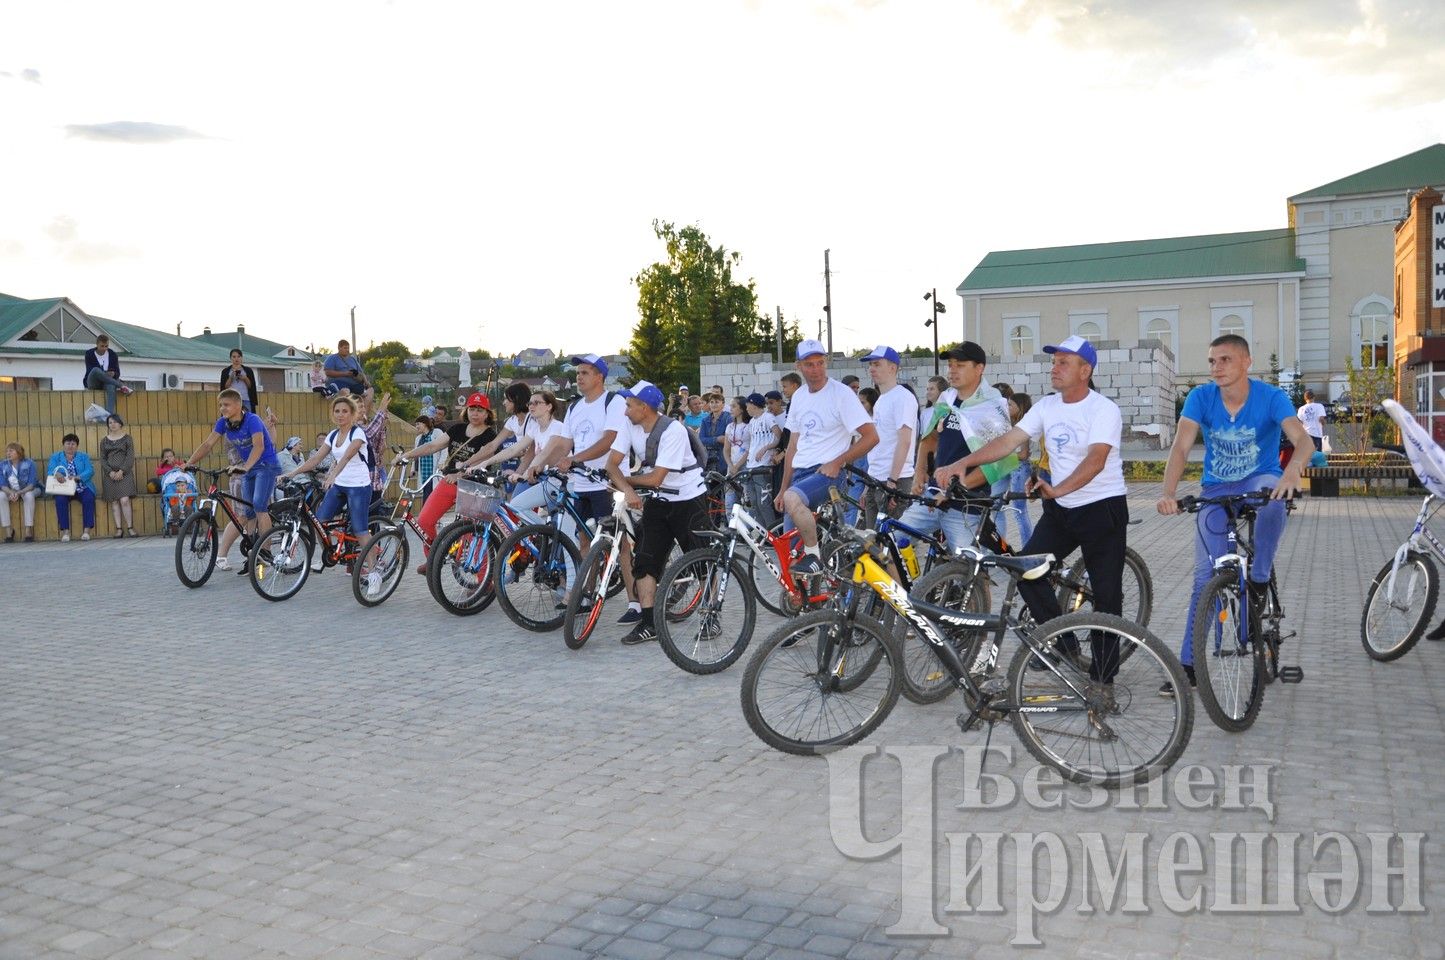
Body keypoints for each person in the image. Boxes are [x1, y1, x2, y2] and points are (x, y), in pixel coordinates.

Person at [947, 335, 1130, 691]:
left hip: (1101, 509)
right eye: (1054, 361)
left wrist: (1057, 488)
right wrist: (962, 462)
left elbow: (1096, 461)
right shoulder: (1047, 406)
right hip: (1061, 509)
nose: (1054, 368)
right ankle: (1064, 645)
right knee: (1027, 571)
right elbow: (1008, 441)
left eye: (1063, 362)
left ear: (1085, 370)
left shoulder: (1103, 409)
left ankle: (1103, 680)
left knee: (1107, 596)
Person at [1156, 333, 1310, 695]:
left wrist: (1293, 472)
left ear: (1246, 362)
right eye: (1212, 361)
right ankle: (1189, 666)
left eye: (1225, 360)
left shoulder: (1270, 397)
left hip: (1261, 479)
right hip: (1217, 488)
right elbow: (1181, 446)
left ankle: (1258, 576)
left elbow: (1303, 441)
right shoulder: (1200, 397)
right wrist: (1167, 493)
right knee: (1204, 578)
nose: (1216, 368)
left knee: (1275, 497)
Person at [605, 380, 710, 645]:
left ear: (645, 407)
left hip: (688, 497)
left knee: (701, 560)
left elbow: (657, 478)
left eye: (629, 405)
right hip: (659, 500)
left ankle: (711, 615)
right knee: (645, 561)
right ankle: (649, 623)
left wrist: (628, 482)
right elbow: (612, 464)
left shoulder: (672, 430)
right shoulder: (629, 424)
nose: (625, 410)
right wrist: (627, 491)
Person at [774, 339, 878, 577]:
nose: (816, 369)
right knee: (791, 559)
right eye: (809, 364)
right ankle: (809, 603)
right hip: (800, 476)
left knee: (794, 507)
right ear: (799, 366)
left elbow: (871, 437)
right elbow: (792, 446)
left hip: (827, 473)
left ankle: (814, 556)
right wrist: (782, 488)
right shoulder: (799, 396)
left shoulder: (841, 394)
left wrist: (838, 462)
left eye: (820, 363)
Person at [903, 342, 1017, 555]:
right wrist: (919, 473)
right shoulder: (947, 400)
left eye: (960, 365)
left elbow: (999, 464)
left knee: (968, 571)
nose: (952, 370)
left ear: (979, 368)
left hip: (966, 506)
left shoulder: (993, 405)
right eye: (950, 365)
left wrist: (953, 490)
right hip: (933, 495)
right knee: (890, 540)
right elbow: (929, 439)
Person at [181, 389, 281, 574]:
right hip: (248, 468)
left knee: (259, 506)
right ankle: (253, 551)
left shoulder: (252, 420)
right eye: (220, 405)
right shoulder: (224, 423)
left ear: (238, 405)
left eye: (226, 405)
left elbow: (259, 446)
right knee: (248, 512)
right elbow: (208, 444)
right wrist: (189, 463)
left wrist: (246, 467)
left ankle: (265, 552)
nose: (222, 408)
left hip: (266, 465)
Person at [397, 393, 499, 570]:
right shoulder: (457, 429)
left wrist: (460, 474)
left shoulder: (490, 435)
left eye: (480, 410)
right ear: (466, 411)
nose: (475, 414)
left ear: (487, 414)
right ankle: (434, 557)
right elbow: (432, 446)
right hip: (450, 481)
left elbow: (483, 457)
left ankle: (483, 580)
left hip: (475, 486)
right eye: (472, 409)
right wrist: (406, 455)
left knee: (473, 532)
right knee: (424, 521)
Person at [285, 395, 372, 572]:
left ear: (352, 414)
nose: (341, 415)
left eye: (345, 411)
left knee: (360, 529)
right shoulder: (332, 435)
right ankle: (329, 553)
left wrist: (332, 475)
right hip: (340, 484)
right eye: (337, 411)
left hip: (359, 485)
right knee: (320, 522)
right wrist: (293, 473)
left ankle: (374, 571)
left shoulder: (358, 433)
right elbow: (316, 458)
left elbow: (347, 456)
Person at [859, 346, 918, 525]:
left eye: (877, 364)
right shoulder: (882, 400)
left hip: (894, 480)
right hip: (876, 479)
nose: (872, 369)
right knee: (872, 543)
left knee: (889, 544)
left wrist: (892, 481)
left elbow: (905, 441)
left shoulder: (903, 397)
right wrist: (868, 485)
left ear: (893, 368)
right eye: (870, 365)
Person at [999, 392, 1035, 548]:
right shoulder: (1009, 425)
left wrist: (1004, 454)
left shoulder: (1024, 427)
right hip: (1007, 465)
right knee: (997, 505)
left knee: (1019, 511)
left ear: (1019, 408)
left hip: (1019, 468)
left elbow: (1024, 454)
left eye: (1010, 405)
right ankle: (1000, 545)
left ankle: (1028, 548)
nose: (1007, 407)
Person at [47, 434, 97, 542]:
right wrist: (57, 474)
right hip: (63, 488)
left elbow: (90, 470)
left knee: (89, 498)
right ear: (63, 445)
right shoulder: (56, 457)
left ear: (77, 446)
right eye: (68, 443)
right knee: (60, 499)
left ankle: (86, 531)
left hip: (81, 486)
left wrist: (78, 477)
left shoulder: (84, 456)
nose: (70, 446)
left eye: (73, 444)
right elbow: (50, 470)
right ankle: (65, 532)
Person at [741, 393, 781, 528]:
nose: (746, 408)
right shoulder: (752, 422)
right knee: (754, 502)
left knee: (764, 503)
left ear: (753, 404)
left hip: (763, 466)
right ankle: (762, 534)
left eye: (747, 405)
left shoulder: (768, 417)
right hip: (751, 465)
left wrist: (766, 448)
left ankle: (773, 534)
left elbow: (778, 435)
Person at [99, 413, 138, 538]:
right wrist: (110, 471)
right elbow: (103, 459)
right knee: (114, 502)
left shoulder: (127, 438)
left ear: (120, 423)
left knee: (124, 500)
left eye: (115, 422)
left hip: (124, 474)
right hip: (110, 475)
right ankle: (119, 529)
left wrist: (122, 471)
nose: (112, 424)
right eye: (110, 422)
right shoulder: (104, 441)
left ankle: (130, 527)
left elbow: (130, 457)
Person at [356, 390, 392, 498]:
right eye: (360, 407)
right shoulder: (352, 429)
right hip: (359, 481)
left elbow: (377, 447)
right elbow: (368, 434)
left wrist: (382, 424)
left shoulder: (363, 427)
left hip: (373, 478)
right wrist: (380, 410)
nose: (363, 409)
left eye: (363, 406)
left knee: (373, 510)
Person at [83, 334, 132, 413]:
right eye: (102, 346)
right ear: (97, 344)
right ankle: (121, 385)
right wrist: (105, 373)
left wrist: (113, 374)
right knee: (95, 370)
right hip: (94, 382)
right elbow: (90, 370)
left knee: (111, 385)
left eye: (106, 346)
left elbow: (117, 372)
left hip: (107, 382)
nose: (104, 348)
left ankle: (109, 415)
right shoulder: (89, 354)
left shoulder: (112, 354)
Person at [1, 442, 38, 542]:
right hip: (11, 491)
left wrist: (19, 492)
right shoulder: (2, 464)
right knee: (1, 496)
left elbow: (32, 484)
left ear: (19, 452)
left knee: (29, 496)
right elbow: (2, 484)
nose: (8, 453)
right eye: (7, 451)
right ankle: (8, 531)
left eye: (11, 451)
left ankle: (28, 530)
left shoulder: (30, 463)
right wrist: (11, 492)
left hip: (27, 489)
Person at [722, 396, 751, 513]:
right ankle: (731, 527)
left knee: (745, 498)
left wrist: (737, 466)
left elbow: (749, 449)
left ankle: (746, 528)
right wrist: (730, 465)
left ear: (742, 409)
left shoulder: (749, 426)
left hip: (744, 466)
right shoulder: (730, 426)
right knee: (729, 499)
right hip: (731, 466)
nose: (731, 409)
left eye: (734, 406)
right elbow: (726, 449)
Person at [407, 415, 446, 501]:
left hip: (434, 469)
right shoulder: (418, 438)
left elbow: (444, 448)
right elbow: (415, 454)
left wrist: (441, 462)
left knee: (430, 494)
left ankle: (426, 512)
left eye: (418, 424)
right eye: (416, 424)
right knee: (427, 492)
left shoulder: (437, 432)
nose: (416, 426)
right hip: (424, 470)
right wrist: (412, 469)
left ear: (425, 424)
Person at [699, 392, 732, 475]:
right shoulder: (705, 420)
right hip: (708, 457)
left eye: (717, 402)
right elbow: (701, 439)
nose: (714, 404)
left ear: (723, 404)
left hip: (723, 457)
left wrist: (710, 440)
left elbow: (728, 439)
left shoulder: (728, 418)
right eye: (712, 402)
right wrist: (716, 439)